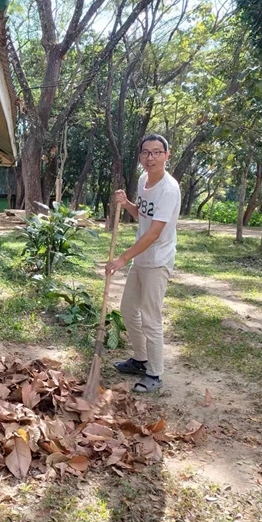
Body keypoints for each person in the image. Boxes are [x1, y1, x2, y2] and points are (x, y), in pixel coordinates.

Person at [105, 134, 181, 393]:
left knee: (151, 317)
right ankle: (140, 359)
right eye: (146, 152)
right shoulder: (143, 180)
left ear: (166, 156)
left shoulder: (169, 189)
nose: (151, 157)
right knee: (128, 310)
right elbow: (143, 215)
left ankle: (155, 373)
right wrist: (126, 203)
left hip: (158, 261)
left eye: (157, 152)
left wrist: (122, 258)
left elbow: (154, 233)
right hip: (142, 258)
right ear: (140, 157)